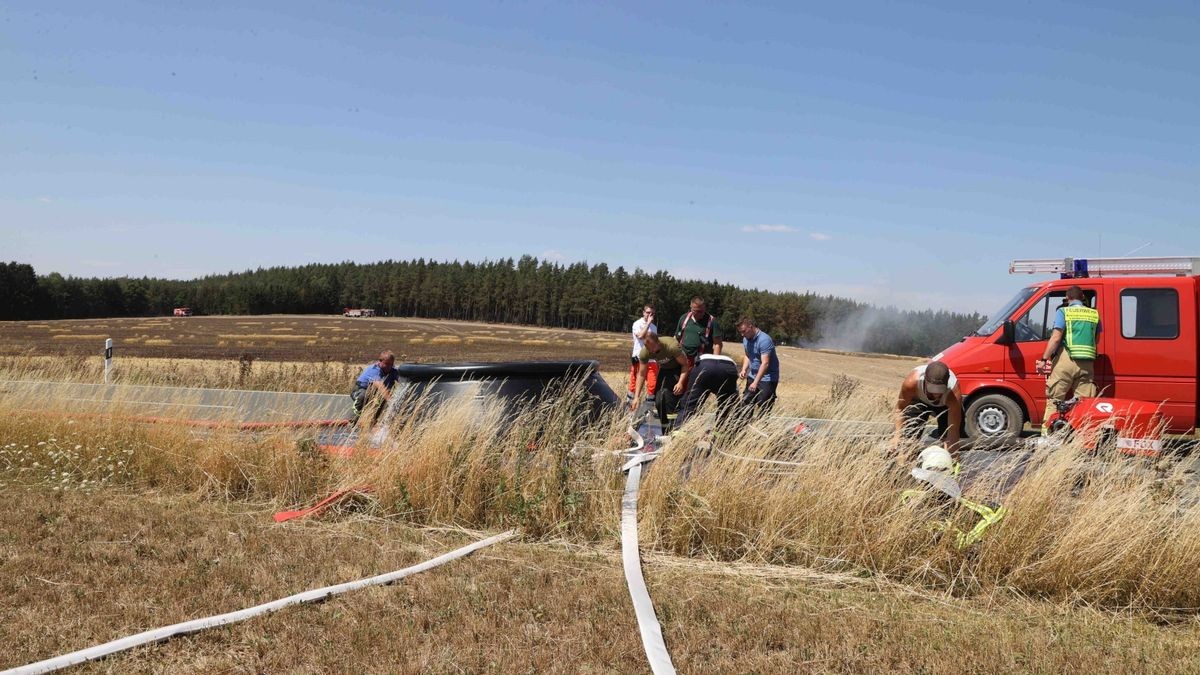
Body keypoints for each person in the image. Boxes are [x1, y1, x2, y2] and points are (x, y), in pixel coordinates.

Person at [1037, 285, 1100, 434]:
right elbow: (1096, 339)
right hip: (1087, 363)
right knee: (1084, 404)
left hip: (1067, 360)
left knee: (1055, 400)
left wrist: (1044, 359)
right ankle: (1080, 440)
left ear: (1068, 298)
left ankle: (1047, 436)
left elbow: (1056, 338)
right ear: (1083, 298)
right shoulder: (1094, 314)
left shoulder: (1064, 311)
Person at [892, 360, 962, 453]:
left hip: (944, 405)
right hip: (919, 400)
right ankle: (904, 464)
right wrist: (897, 435)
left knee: (948, 441)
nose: (936, 394)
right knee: (907, 439)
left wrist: (951, 458)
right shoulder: (911, 382)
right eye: (932, 388)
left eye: (940, 389)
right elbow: (900, 409)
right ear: (925, 380)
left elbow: (953, 434)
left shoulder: (953, 392)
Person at [632, 332, 691, 433]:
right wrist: (636, 397)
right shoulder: (645, 352)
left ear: (658, 343)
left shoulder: (671, 347)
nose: (651, 351)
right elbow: (641, 374)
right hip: (664, 369)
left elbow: (685, 365)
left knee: (669, 399)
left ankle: (674, 430)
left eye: (652, 348)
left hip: (678, 368)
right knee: (659, 400)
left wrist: (680, 382)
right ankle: (665, 430)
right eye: (648, 348)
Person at [675, 353, 740, 428]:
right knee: (727, 405)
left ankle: (679, 431)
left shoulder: (702, 359)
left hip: (705, 365)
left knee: (689, 404)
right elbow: (735, 395)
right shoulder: (730, 364)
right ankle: (722, 433)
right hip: (728, 368)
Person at [736, 317, 779, 413]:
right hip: (752, 375)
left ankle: (762, 425)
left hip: (767, 378)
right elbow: (747, 355)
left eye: (743, 331)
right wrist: (744, 370)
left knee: (763, 405)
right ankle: (745, 425)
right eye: (740, 332)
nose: (742, 334)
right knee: (746, 403)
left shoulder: (764, 340)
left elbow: (765, 363)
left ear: (750, 327)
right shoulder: (745, 339)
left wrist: (755, 382)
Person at [351, 350, 400, 422]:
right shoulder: (373, 370)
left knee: (385, 397)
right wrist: (392, 402)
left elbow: (403, 381)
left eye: (391, 364)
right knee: (365, 395)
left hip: (376, 395)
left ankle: (375, 420)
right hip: (360, 392)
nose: (389, 367)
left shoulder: (393, 370)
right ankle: (356, 418)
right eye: (387, 364)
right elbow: (380, 386)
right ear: (380, 361)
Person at [674, 296, 723, 366]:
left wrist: (714, 363)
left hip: (702, 362)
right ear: (691, 308)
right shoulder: (683, 318)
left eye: (702, 311)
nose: (701, 314)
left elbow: (718, 344)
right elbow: (676, 338)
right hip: (683, 360)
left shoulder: (712, 321)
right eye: (697, 311)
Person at [627, 305, 658, 404]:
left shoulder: (654, 327)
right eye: (648, 312)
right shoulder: (637, 323)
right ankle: (630, 407)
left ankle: (648, 408)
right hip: (639, 358)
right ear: (643, 312)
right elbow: (640, 335)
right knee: (634, 384)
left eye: (652, 313)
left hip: (651, 360)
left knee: (652, 385)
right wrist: (648, 323)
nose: (650, 315)